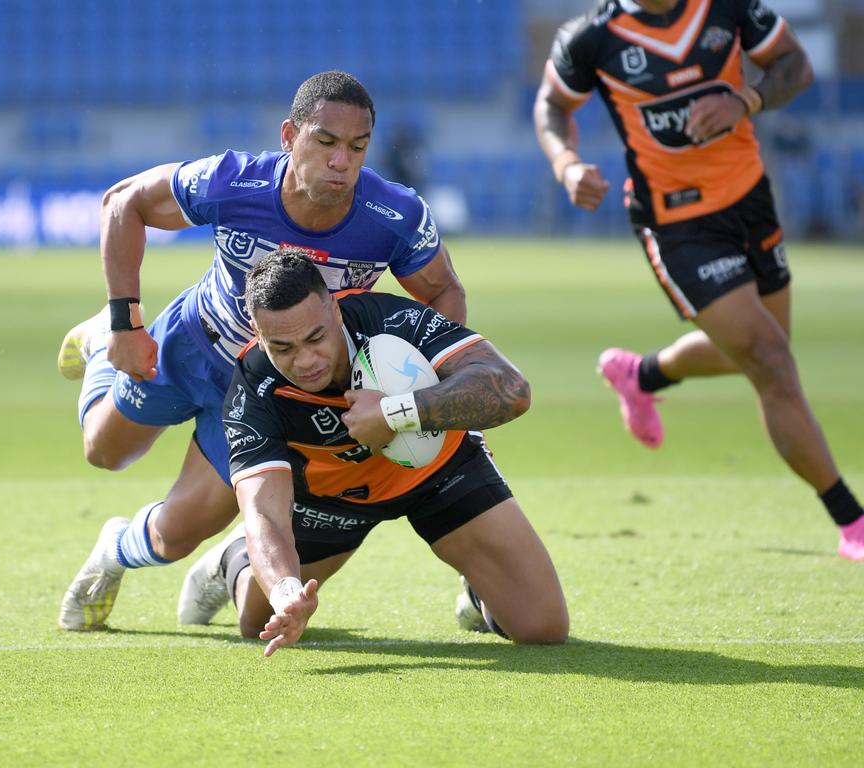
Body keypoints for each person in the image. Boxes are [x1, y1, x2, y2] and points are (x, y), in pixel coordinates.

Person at [57, 71, 467, 630]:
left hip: (263, 395)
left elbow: (443, 290)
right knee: (104, 451)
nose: (341, 161)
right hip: (191, 343)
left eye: (357, 146)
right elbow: (122, 203)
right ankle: (104, 345)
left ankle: (112, 551)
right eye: (325, 142)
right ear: (289, 136)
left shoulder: (393, 216)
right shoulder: (233, 182)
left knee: (177, 535)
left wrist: (418, 384)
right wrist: (126, 322)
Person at [533, 0, 864, 560]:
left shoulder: (728, 7)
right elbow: (551, 105)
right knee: (771, 362)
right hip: (677, 222)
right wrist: (566, 164)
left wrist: (745, 98)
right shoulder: (592, 36)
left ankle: (642, 375)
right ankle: (851, 521)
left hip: (751, 199)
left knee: (764, 351)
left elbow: (794, 64)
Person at [176, 249, 568, 655]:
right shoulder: (252, 391)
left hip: (439, 469)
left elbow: (511, 389)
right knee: (260, 623)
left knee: (543, 627)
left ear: (334, 309)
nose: (306, 360)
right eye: (284, 348)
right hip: (333, 498)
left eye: (315, 338)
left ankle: (477, 596)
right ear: (257, 333)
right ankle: (232, 558)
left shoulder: (391, 320)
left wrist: (395, 413)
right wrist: (285, 591)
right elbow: (263, 513)